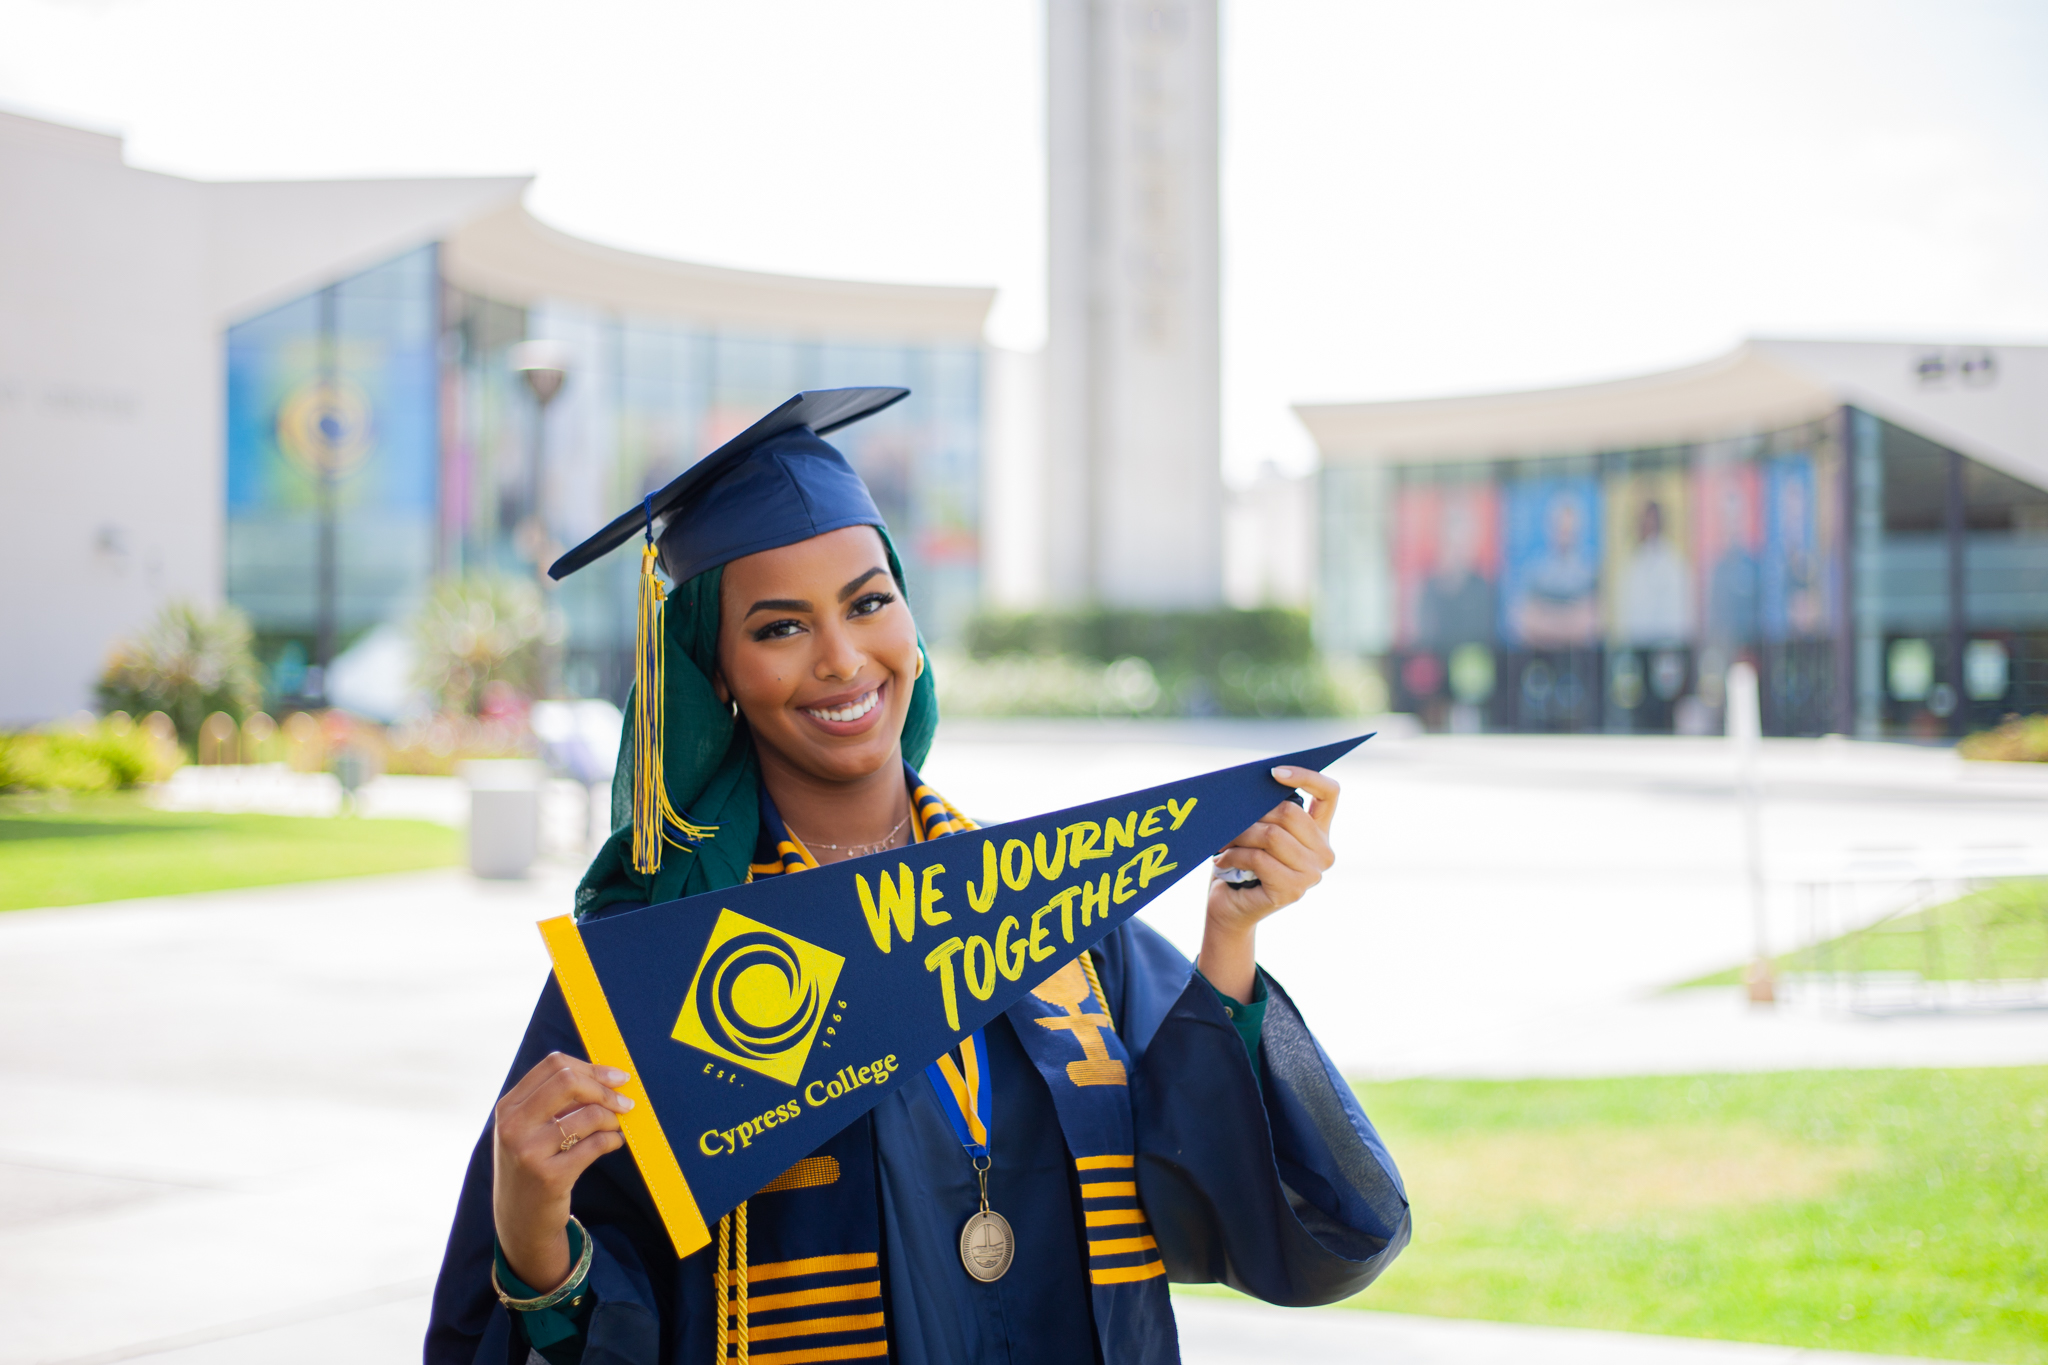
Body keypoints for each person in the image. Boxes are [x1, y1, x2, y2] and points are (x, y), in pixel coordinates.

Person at [426, 389, 1411, 1365]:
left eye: (868, 602)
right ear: (712, 667)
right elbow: (584, 1318)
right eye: (779, 628)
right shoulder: (660, 963)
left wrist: (1227, 944)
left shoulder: (1051, 903)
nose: (843, 659)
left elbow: (1257, 1221)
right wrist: (534, 1238)